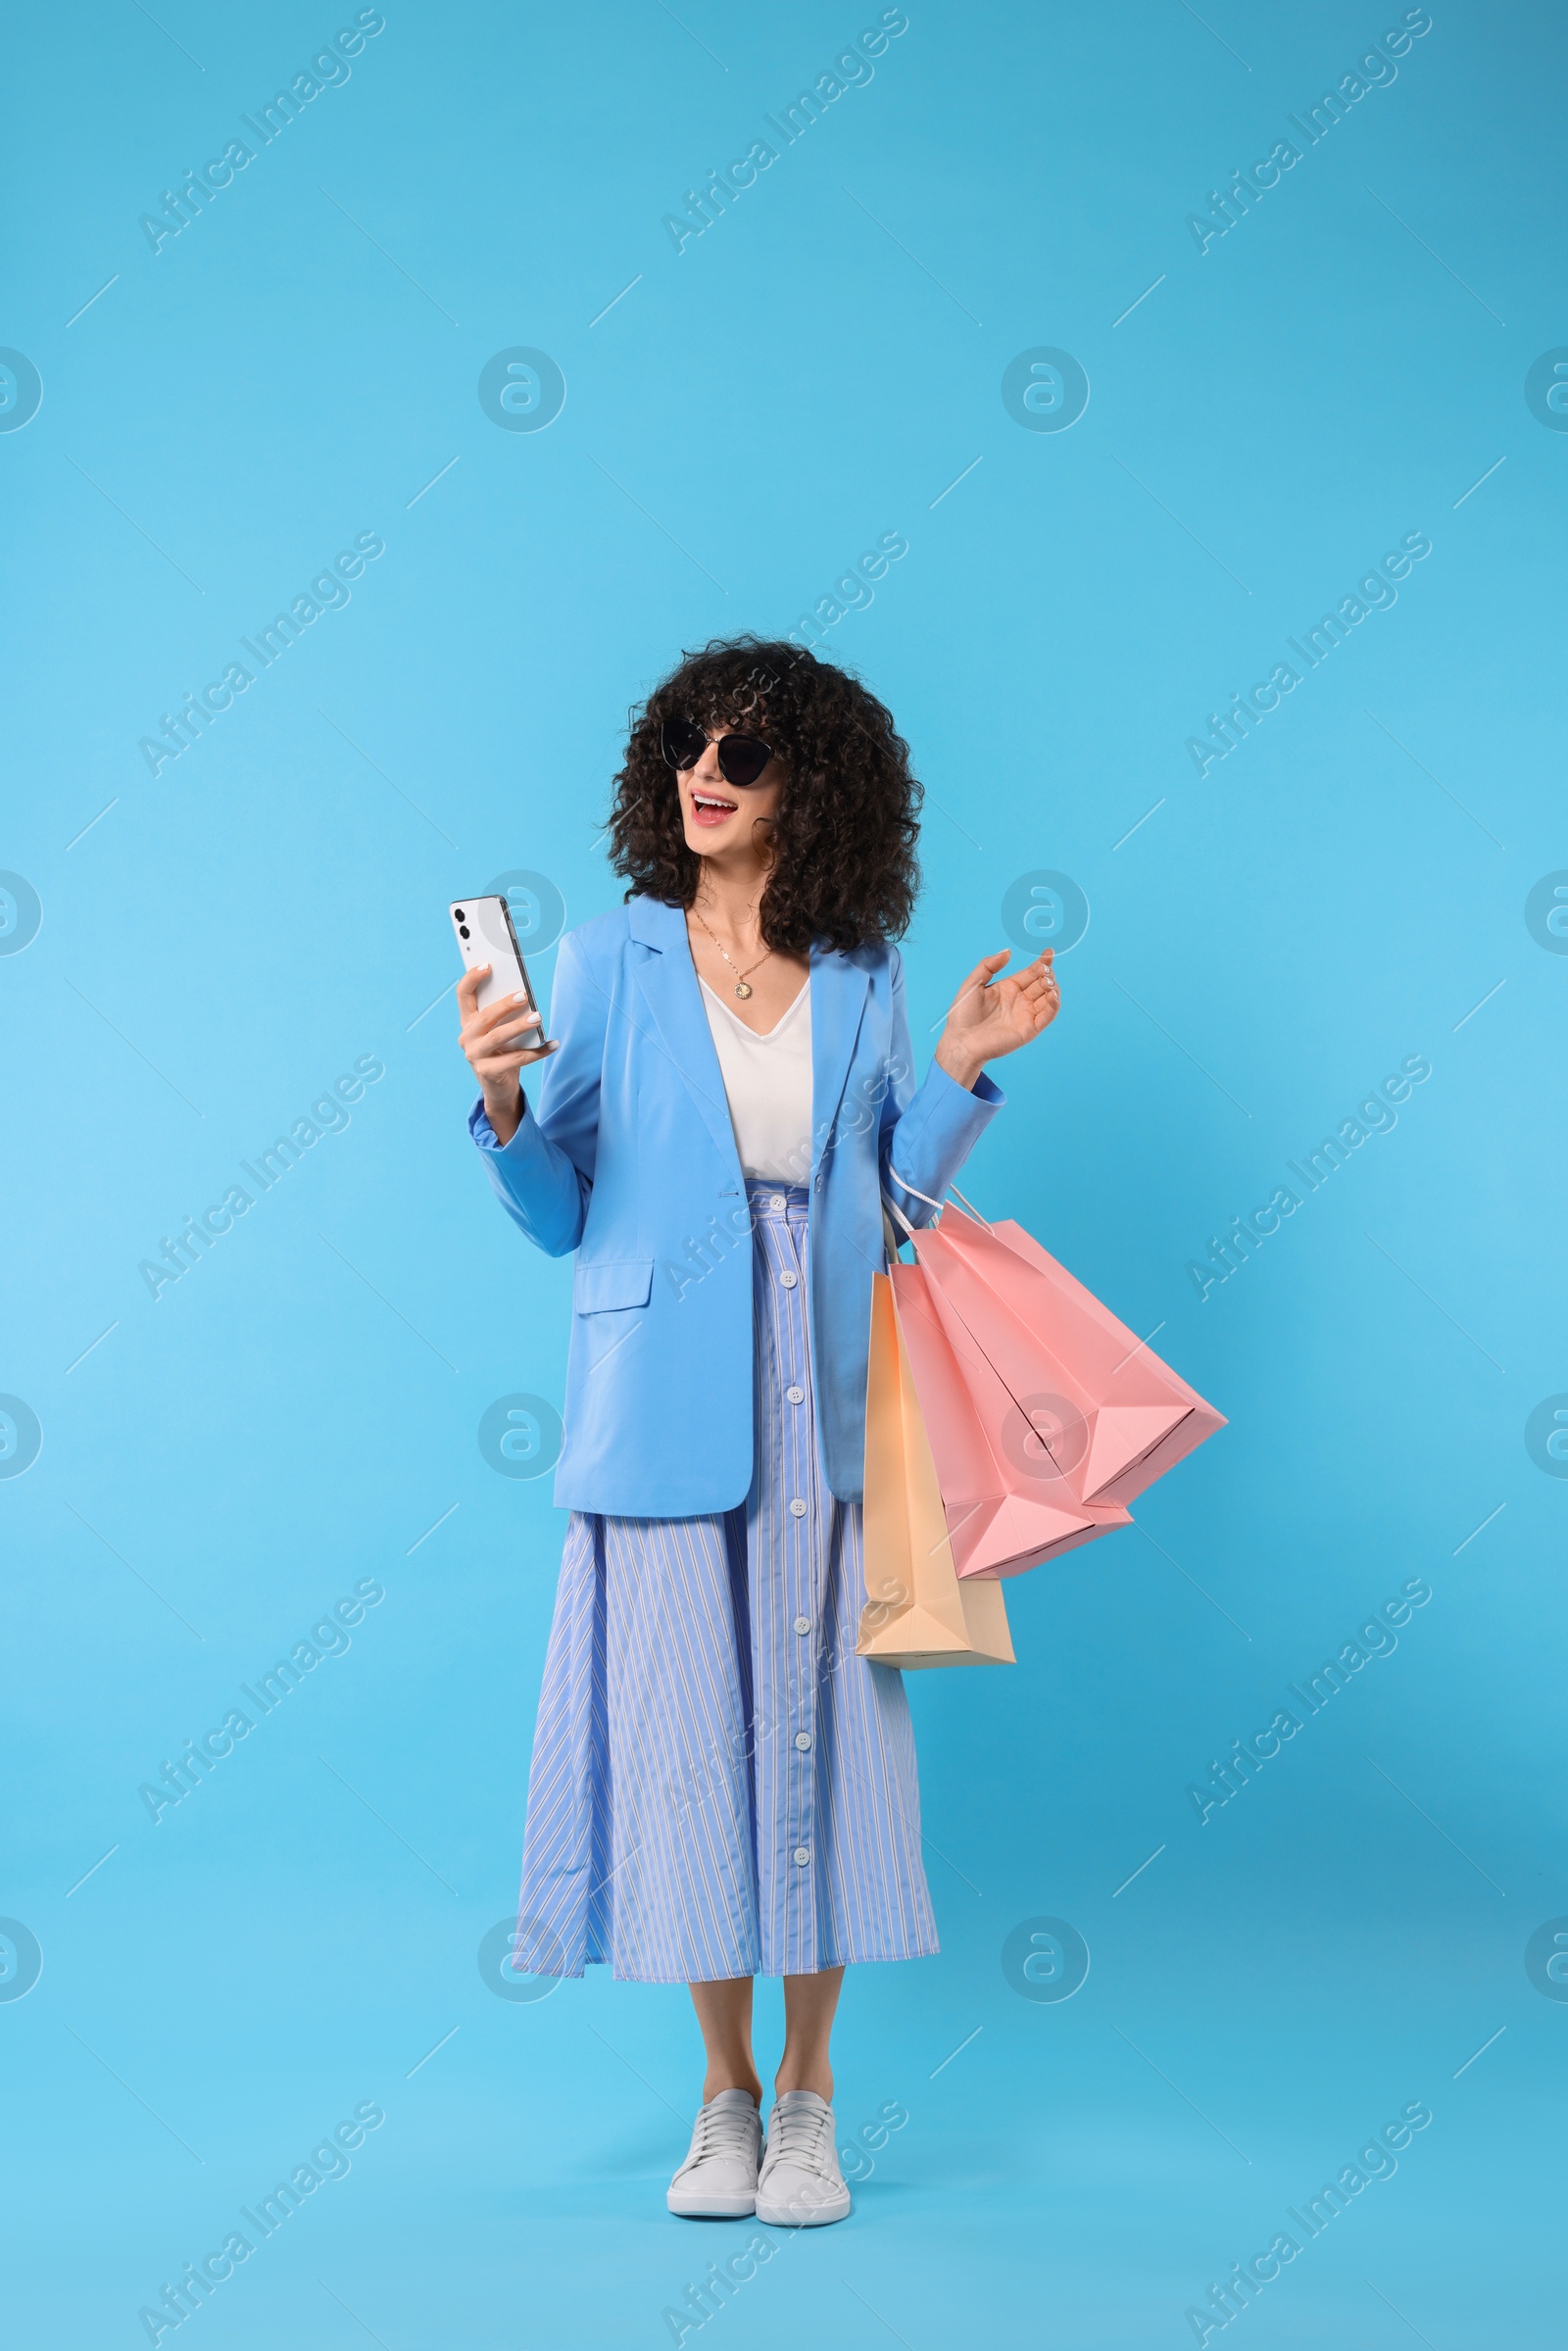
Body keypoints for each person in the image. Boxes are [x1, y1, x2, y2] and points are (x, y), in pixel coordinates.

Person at [458, 638, 1059, 2227]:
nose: (706, 772)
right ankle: (720, 2097)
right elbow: (560, 1212)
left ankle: (810, 2097)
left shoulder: (864, 970)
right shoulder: (605, 960)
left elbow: (901, 1200)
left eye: (747, 753)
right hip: (660, 1396)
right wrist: (505, 1107)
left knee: (822, 1743)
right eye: (688, 746)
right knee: (680, 1756)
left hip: (828, 1389)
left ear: (819, 790)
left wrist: (957, 1076)